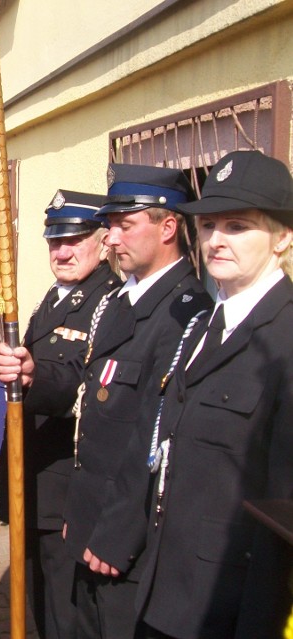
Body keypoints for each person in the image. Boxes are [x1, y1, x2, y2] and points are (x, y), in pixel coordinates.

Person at [0, 165, 212, 639]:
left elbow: (153, 442)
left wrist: (115, 533)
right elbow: (94, 410)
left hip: (126, 538)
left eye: (122, 225)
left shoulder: (186, 313)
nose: (111, 238)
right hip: (88, 518)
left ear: (169, 228)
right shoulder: (124, 303)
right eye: (109, 225)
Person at [134, 150, 293, 638]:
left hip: (226, 603)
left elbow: (282, 509)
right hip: (163, 586)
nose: (216, 241)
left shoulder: (285, 342)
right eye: (207, 227)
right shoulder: (204, 322)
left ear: (283, 237)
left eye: (238, 226)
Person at [0, 190, 118, 638]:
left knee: (65, 613)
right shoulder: (59, 295)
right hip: (34, 479)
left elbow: (79, 379)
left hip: (64, 487)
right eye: (54, 241)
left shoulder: (109, 299)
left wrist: (32, 375)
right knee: (37, 603)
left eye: (75, 239)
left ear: (104, 241)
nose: (61, 251)